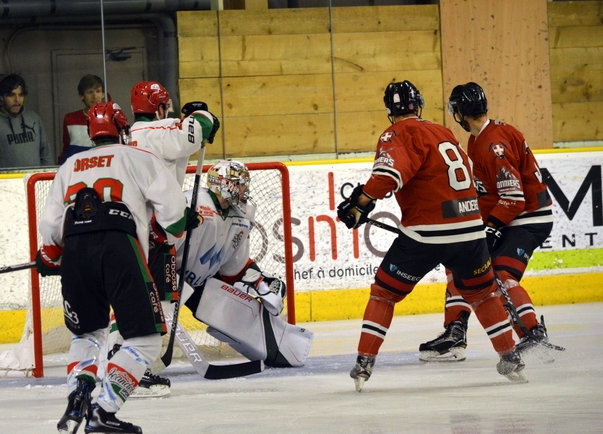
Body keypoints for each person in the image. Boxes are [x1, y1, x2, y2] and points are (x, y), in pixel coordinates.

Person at [336, 80, 525, 392]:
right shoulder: (443, 131)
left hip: (427, 234)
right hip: (470, 229)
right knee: (482, 294)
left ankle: (364, 363)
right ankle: (510, 358)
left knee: (384, 293)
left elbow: (388, 175)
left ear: (389, 111)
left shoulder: (396, 133)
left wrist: (360, 203)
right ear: (418, 104)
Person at [35, 101, 200, 434]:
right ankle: (103, 412)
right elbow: (173, 220)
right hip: (119, 247)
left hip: (77, 250)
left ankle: (80, 390)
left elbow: (50, 232)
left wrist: (49, 255)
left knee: (87, 332)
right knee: (144, 339)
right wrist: (184, 223)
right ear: (123, 130)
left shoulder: (69, 166)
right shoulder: (139, 158)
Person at [418, 82, 554, 362]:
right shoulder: (478, 139)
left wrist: (490, 227)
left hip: (525, 219)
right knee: (461, 261)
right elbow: (488, 192)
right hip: (508, 218)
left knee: (502, 276)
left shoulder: (494, 144)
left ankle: (533, 333)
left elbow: (514, 198)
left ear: (460, 112)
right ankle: (455, 331)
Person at [109, 85, 218, 396]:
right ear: (159, 108)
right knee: (157, 303)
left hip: (131, 227)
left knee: (136, 300)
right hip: (155, 231)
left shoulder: (128, 135)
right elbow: (198, 129)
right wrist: (202, 113)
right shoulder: (158, 130)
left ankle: (123, 363)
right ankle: (130, 368)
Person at [170, 160, 312, 367]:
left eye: (246, 184)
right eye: (239, 183)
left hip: (200, 282)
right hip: (166, 275)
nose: (245, 189)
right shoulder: (191, 204)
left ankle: (283, 350)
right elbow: (161, 243)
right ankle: (123, 357)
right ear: (222, 184)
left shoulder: (242, 216)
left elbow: (232, 268)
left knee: (240, 313)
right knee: (148, 325)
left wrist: (259, 281)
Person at [0, 74, 54, 169]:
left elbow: (46, 155)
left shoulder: (34, 118)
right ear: (1, 97)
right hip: (7, 181)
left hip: (35, 180)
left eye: (20, 95)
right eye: (12, 95)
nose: (17, 100)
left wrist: (46, 178)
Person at [58, 74, 105, 164]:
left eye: (98, 91)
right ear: (81, 96)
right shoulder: (70, 119)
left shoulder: (112, 118)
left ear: (103, 94)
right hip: (76, 171)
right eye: (90, 92)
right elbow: (66, 149)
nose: (95, 96)